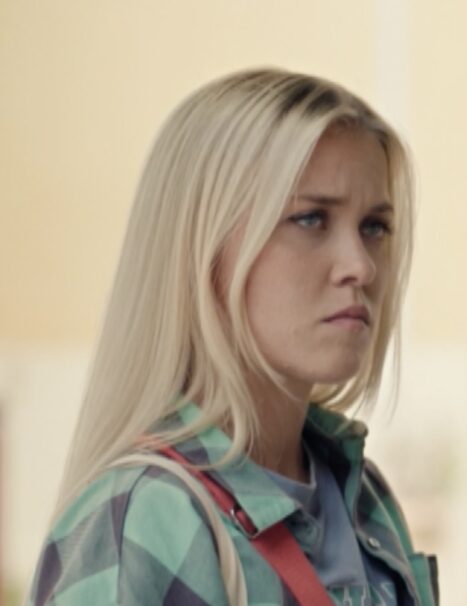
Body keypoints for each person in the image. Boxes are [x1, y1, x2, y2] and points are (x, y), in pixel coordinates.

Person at [27, 68, 438, 606]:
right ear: (203, 245)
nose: (361, 266)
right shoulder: (144, 520)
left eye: (374, 227)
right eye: (311, 219)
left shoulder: (364, 496)